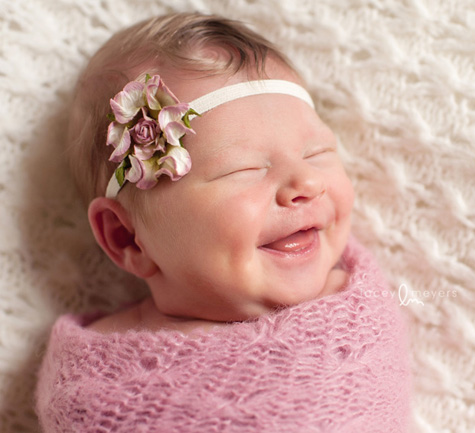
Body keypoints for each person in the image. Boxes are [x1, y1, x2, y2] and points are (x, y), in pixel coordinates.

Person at [36, 13, 410, 432]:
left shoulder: (352, 324)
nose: (305, 182)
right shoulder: (95, 383)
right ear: (128, 239)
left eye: (316, 153)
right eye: (243, 169)